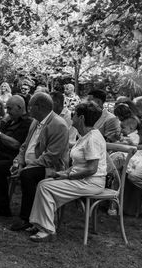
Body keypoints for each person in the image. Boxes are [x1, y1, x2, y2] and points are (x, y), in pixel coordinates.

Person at [27, 101, 108, 242]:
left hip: (91, 182)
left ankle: (47, 230)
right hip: (81, 179)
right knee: (45, 183)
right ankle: (41, 224)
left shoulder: (93, 138)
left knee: (46, 187)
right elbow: (79, 164)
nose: (71, 117)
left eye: (74, 114)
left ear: (81, 118)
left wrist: (67, 175)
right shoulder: (84, 136)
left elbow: (91, 169)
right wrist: (63, 173)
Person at [8, 92, 70, 232]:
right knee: (3, 166)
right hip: (31, 164)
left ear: (38, 107)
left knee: (27, 175)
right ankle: (1, 207)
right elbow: (25, 146)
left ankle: (26, 218)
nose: (27, 110)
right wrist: (18, 162)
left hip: (52, 168)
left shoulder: (58, 124)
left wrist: (27, 167)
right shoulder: (36, 121)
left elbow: (51, 157)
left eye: (29, 106)